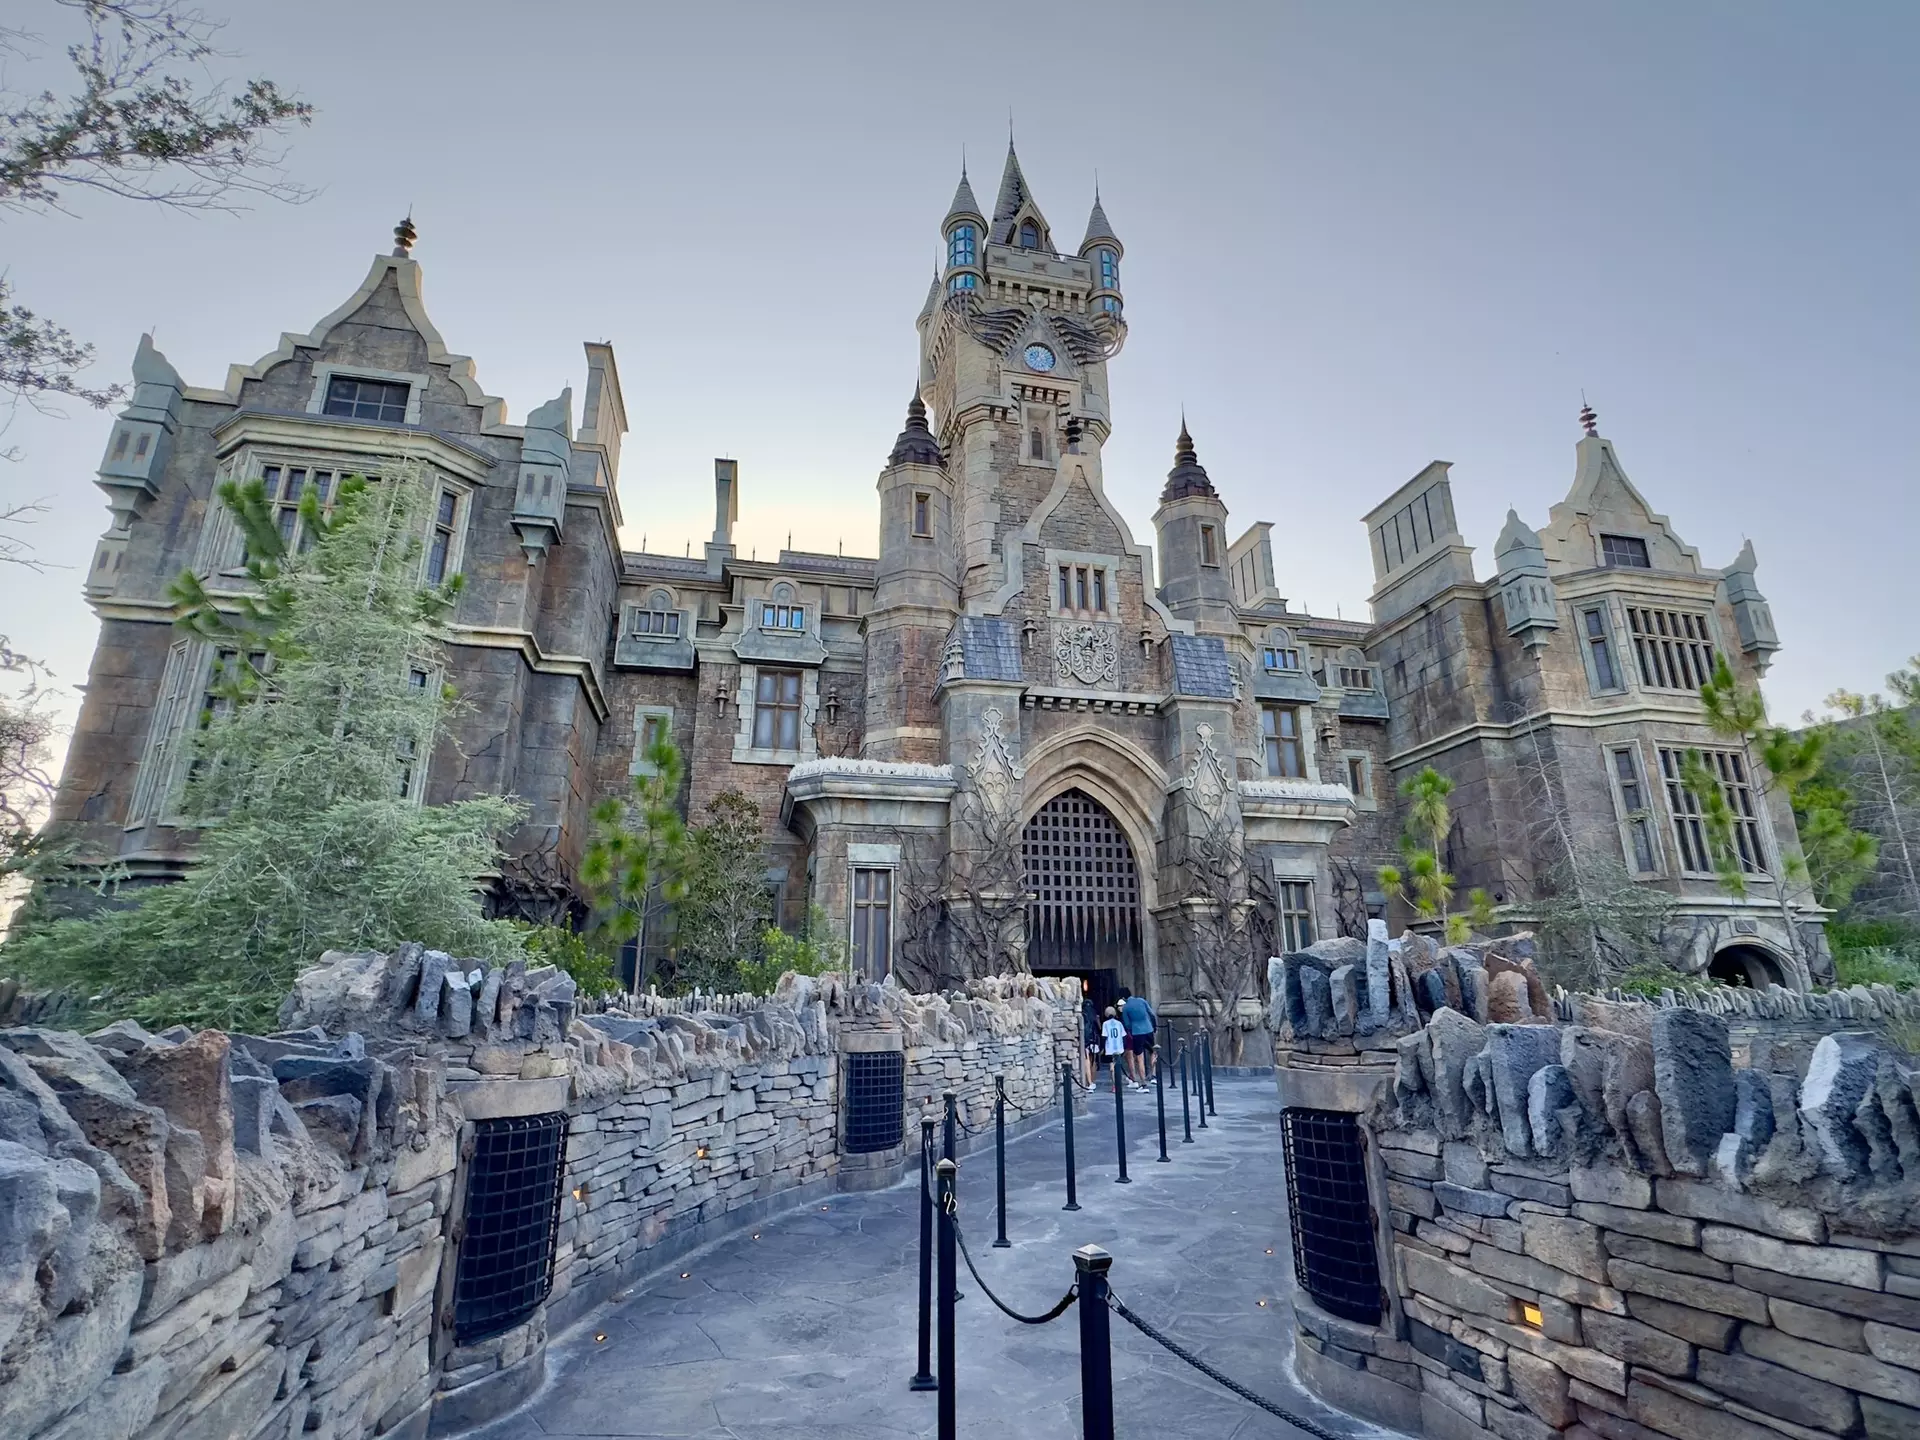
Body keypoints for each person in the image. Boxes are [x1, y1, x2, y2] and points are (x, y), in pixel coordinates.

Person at [1119, 987, 1157, 1090]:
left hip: (1137, 1032)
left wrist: (1131, 1030)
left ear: (1123, 997)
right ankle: (1153, 1074)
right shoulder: (1141, 1000)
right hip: (1148, 1029)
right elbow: (1152, 1014)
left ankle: (1143, 1083)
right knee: (1153, 1052)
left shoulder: (1126, 1007)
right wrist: (1154, 1026)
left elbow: (1127, 1024)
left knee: (1139, 1058)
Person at [1101, 1006, 1126, 1081]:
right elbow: (1123, 1035)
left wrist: (1102, 1048)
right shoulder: (1119, 1023)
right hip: (1119, 1047)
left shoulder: (1105, 1024)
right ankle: (1118, 1081)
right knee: (1118, 1064)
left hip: (1110, 1047)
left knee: (1112, 1065)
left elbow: (1104, 1036)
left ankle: (1114, 1084)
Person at [1081, 995, 1101, 1087]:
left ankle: (1088, 1082)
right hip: (1094, 1039)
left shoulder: (1082, 1014)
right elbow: (1099, 1027)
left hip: (1085, 1040)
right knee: (1094, 1061)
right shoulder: (1094, 1014)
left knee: (1086, 1060)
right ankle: (1092, 1080)